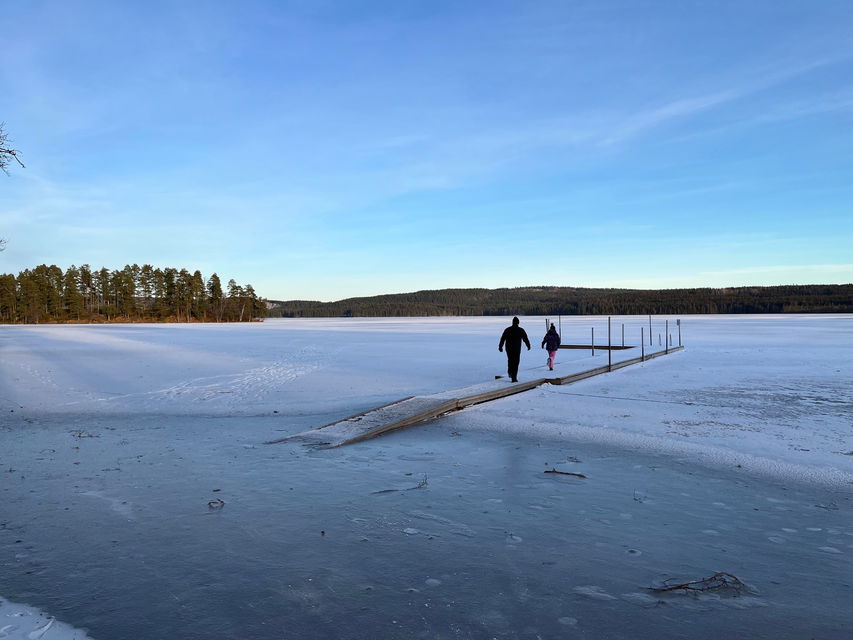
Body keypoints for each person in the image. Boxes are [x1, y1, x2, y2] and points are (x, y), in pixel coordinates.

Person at [498, 316, 530, 382]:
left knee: (510, 360)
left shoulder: (507, 329)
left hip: (509, 348)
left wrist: (500, 346)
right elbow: (525, 339)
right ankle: (514, 377)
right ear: (518, 323)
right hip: (517, 349)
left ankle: (510, 371)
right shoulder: (521, 330)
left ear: (512, 322)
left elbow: (502, 338)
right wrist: (528, 345)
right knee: (516, 362)